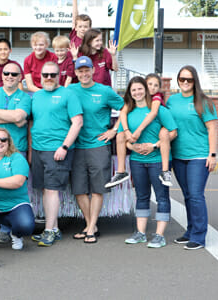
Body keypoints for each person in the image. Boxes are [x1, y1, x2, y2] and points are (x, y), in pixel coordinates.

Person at [68, 56, 124, 244]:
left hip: (98, 145)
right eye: (80, 71)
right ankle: (90, 223)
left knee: (97, 188)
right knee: (79, 189)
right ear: (75, 73)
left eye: (87, 70)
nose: (84, 74)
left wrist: (114, 131)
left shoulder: (104, 91)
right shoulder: (70, 90)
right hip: (76, 146)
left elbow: (126, 108)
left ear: (93, 70)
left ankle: (91, 227)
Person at [30, 61, 83, 247]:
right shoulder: (36, 96)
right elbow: (30, 122)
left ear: (60, 75)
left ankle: (49, 231)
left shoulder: (68, 94)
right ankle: (55, 228)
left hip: (58, 150)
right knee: (46, 190)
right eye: (45, 75)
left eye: (53, 74)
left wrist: (65, 147)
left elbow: (77, 122)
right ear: (40, 76)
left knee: (52, 190)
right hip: (38, 149)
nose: (49, 78)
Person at [120, 77, 177, 248]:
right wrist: (133, 147)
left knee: (162, 197)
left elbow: (172, 132)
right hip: (137, 160)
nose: (137, 92)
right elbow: (124, 138)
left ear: (145, 89)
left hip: (157, 160)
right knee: (142, 196)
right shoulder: (128, 112)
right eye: (133, 90)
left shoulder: (158, 110)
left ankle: (159, 235)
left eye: (139, 89)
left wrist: (154, 146)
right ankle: (141, 233)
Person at [167, 65, 217, 250]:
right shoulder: (172, 101)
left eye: (189, 79)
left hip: (199, 155)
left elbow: (212, 129)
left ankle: (198, 236)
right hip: (178, 156)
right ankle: (190, 231)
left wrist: (212, 155)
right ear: (178, 80)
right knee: (188, 196)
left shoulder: (204, 102)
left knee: (196, 195)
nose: (185, 83)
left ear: (195, 81)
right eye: (182, 79)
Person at [0, 63, 31, 244]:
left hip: (17, 150)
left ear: (20, 77)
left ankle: (11, 230)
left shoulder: (25, 97)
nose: (10, 76)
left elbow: (19, 117)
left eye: (14, 74)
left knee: (14, 189)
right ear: (1, 76)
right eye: (6, 73)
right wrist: (14, 116)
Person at [107, 73, 173, 188]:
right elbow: (123, 112)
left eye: (155, 85)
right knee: (120, 136)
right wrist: (129, 137)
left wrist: (153, 145)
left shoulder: (156, 101)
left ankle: (165, 171)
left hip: (156, 156)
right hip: (137, 158)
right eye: (150, 84)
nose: (152, 88)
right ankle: (121, 172)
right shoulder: (130, 105)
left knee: (164, 132)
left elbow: (153, 114)